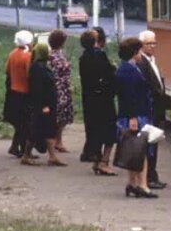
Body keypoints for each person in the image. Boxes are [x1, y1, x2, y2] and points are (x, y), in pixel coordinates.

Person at [115, 36, 157, 198]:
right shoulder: (130, 71)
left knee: (132, 150)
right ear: (134, 53)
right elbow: (129, 96)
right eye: (139, 50)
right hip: (136, 115)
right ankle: (143, 185)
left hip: (130, 115)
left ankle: (132, 183)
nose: (141, 53)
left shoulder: (124, 68)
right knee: (141, 151)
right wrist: (133, 117)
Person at [78, 29, 118, 174]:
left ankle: (96, 159)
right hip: (103, 98)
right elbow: (108, 73)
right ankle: (104, 162)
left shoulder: (83, 57)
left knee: (94, 131)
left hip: (89, 98)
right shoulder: (99, 55)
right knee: (109, 131)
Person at [136, 29, 169, 189]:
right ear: (141, 45)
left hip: (156, 109)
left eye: (154, 43)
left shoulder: (150, 60)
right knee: (149, 145)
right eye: (149, 43)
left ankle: (152, 175)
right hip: (150, 109)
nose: (153, 46)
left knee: (153, 144)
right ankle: (150, 177)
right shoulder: (142, 62)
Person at [24, 38, 64, 166]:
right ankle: (26, 154)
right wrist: (44, 105)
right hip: (43, 105)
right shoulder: (38, 69)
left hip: (48, 104)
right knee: (37, 129)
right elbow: (38, 89)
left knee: (48, 130)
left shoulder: (39, 66)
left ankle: (52, 156)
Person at [3, 30, 32, 158]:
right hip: (25, 92)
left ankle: (15, 147)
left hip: (13, 91)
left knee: (20, 123)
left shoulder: (12, 54)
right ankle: (23, 149)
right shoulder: (28, 56)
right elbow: (29, 74)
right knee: (25, 123)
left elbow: (7, 70)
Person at [46, 29, 75, 152]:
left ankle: (58, 140)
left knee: (62, 116)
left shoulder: (55, 54)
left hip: (62, 88)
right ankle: (56, 141)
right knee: (59, 116)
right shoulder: (55, 56)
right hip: (59, 89)